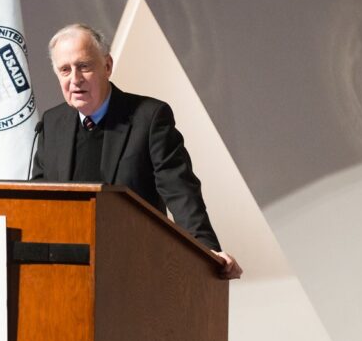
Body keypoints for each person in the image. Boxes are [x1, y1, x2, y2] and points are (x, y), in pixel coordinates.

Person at [31, 23, 241, 279]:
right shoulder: (52, 123)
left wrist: (206, 250)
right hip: (65, 270)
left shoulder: (149, 117)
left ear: (107, 66)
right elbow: (39, 198)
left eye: (84, 66)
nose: (75, 79)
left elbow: (179, 190)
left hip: (133, 267)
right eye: (65, 70)